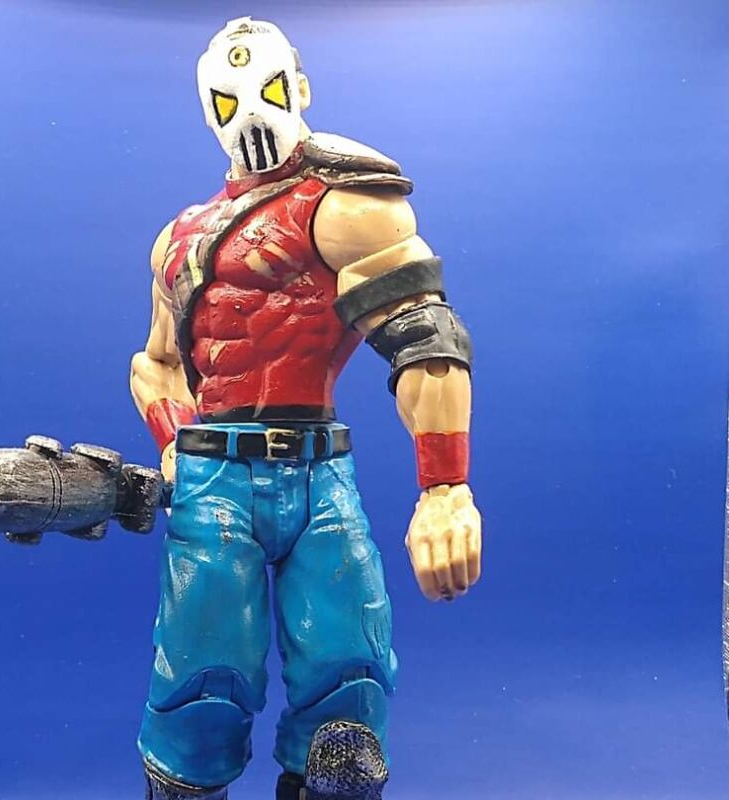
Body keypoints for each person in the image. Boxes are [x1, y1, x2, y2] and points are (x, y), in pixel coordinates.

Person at [130, 17, 482, 800]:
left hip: (319, 478)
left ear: (301, 87)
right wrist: (171, 441)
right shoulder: (178, 240)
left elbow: (423, 336)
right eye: (228, 102)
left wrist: (444, 487)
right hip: (212, 482)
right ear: (207, 113)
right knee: (199, 689)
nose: (252, 114)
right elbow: (155, 365)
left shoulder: (350, 207)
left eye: (270, 90)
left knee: (347, 703)